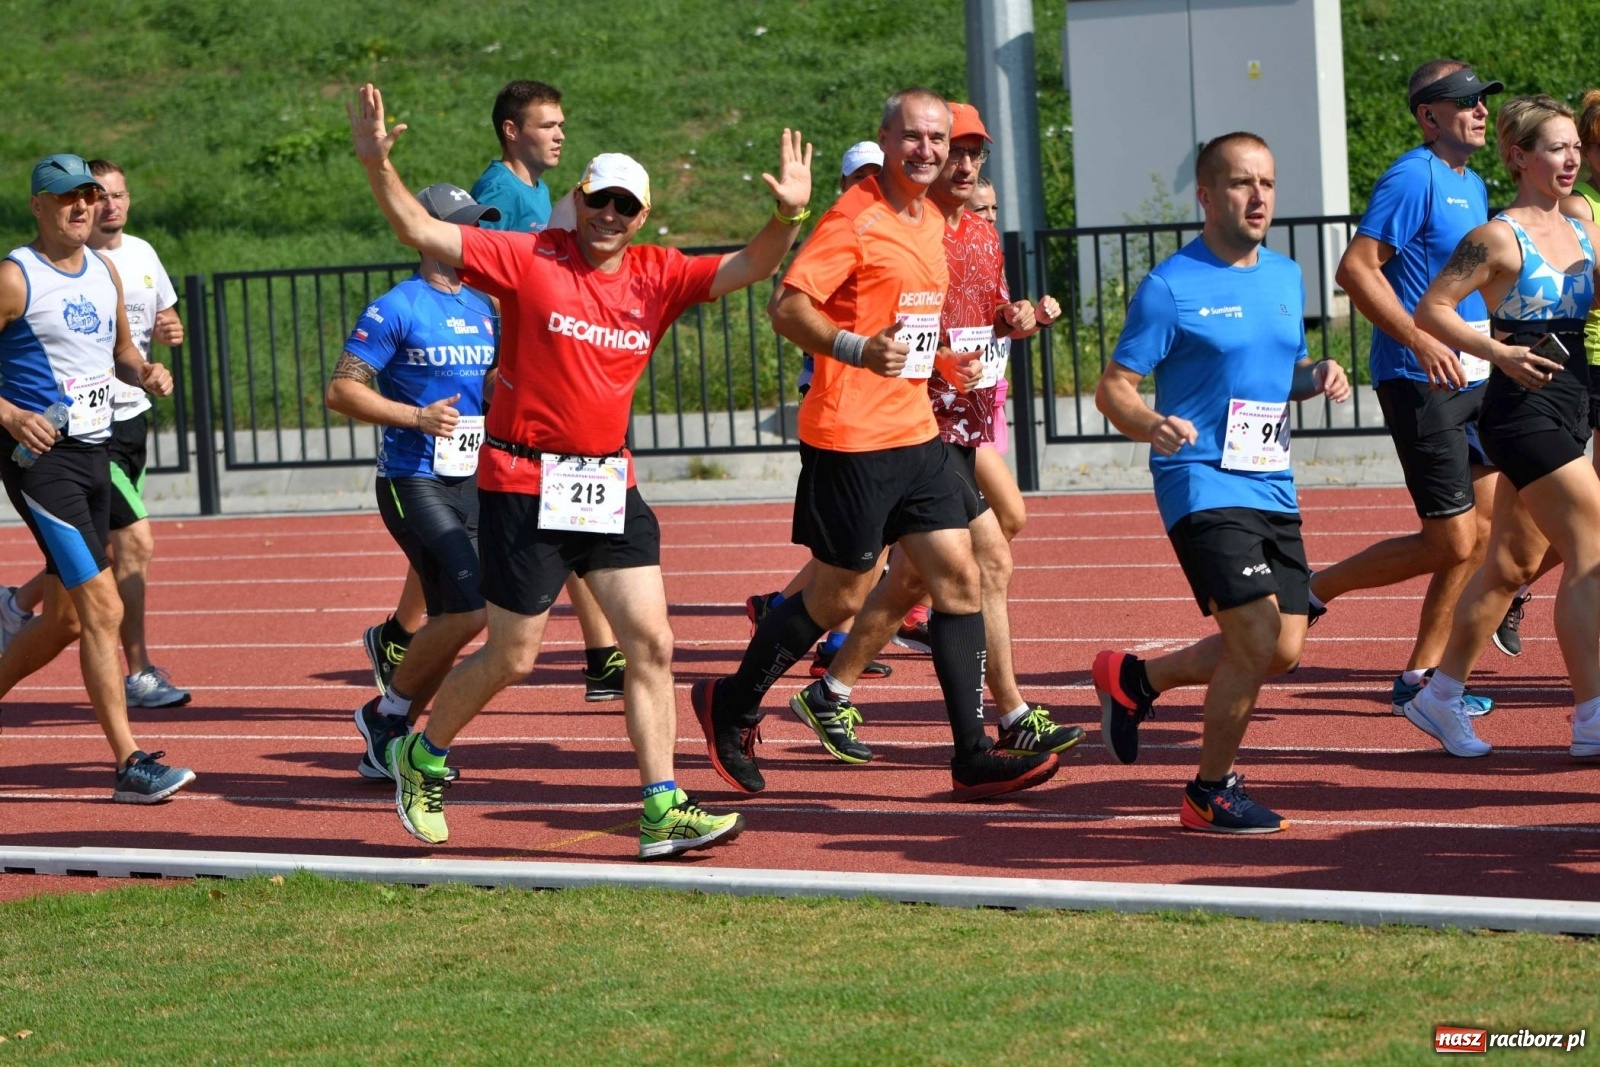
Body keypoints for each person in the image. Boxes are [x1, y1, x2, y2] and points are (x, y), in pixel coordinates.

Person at [348, 83, 810, 858]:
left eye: (626, 207)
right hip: (525, 483)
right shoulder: (531, 258)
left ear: (642, 217)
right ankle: (423, 755)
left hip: (607, 486)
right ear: (579, 198)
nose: (610, 217)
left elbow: (754, 264)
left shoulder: (658, 275)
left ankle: (661, 804)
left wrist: (789, 214)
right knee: (513, 654)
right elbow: (418, 225)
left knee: (652, 644)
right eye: (600, 201)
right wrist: (375, 163)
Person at [693, 88, 1061, 802]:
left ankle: (973, 754)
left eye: (939, 140)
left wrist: (940, 362)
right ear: (886, 141)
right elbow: (786, 306)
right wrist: (858, 349)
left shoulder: (926, 218)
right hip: (852, 436)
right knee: (837, 595)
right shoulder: (855, 217)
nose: (929, 151)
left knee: (960, 577)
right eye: (915, 138)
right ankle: (731, 703)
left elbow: (912, 322)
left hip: (915, 428)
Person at [788, 101, 1082, 763]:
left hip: (967, 421)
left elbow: (991, 316)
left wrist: (1020, 317)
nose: (966, 164)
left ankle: (829, 690)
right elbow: (874, 319)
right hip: (917, 424)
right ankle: (1009, 716)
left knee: (911, 579)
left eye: (974, 153)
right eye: (956, 151)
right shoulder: (908, 229)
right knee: (985, 561)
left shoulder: (978, 234)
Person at [1092, 132, 1351, 834]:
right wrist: (1149, 422)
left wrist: (1317, 374)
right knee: (1257, 634)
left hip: (1269, 480)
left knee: (1282, 649)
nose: (1259, 196)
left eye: (1267, 182)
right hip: (1200, 479)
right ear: (1207, 195)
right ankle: (1211, 791)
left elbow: (1280, 374)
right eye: (1241, 183)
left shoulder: (1286, 276)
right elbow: (1114, 387)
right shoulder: (1170, 286)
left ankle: (1137, 679)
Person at [1311, 60, 1510, 710]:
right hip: (1418, 377)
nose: (1480, 110)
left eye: (1483, 100)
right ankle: (1315, 588)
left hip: (1474, 374)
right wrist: (1421, 339)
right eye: (1465, 101)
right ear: (1429, 116)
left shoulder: (1472, 183)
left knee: (1477, 534)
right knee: (1452, 537)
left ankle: (1421, 674)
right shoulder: (1411, 175)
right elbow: (1356, 269)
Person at [1406, 95, 1600, 759]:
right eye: (1555, 147)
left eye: (1575, 146)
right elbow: (1432, 309)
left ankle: (1439, 693)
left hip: (1572, 401)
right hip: (1520, 410)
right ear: (1519, 157)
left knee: (1511, 565)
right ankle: (1591, 718)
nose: (1570, 158)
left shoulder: (1580, 228)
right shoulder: (1496, 236)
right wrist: (1498, 352)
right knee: (1593, 546)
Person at [0, 153, 192, 801]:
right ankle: (129, 763)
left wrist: (145, 373)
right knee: (103, 607)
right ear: (38, 206)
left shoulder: (104, 271)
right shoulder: (14, 277)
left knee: (63, 621)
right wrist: (11, 414)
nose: (81, 207)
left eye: (87, 195)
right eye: (65, 198)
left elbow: (121, 353)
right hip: (39, 462)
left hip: (95, 453)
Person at [327, 182, 500, 782]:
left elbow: (494, 387)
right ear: (426, 232)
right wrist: (416, 417)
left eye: (478, 226)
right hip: (411, 476)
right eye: (463, 226)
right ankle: (390, 714)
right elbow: (341, 389)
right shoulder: (396, 306)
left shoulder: (485, 307)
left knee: (462, 613)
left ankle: (387, 721)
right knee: (472, 609)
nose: (473, 236)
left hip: (472, 479)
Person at [469, 77, 628, 704]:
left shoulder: (536, 190)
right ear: (513, 131)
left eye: (562, 124)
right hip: (514, 380)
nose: (560, 134)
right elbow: (475, 269)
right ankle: (402, 638)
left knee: (573, 514)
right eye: (547, 125)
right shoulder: (499, 189)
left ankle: (601, 656)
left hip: (553, 374)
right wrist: (494, 357)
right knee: (484, 524)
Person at [744, 139, 894, 682]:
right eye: (861, 176)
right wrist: (847, 344)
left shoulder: (898, 229)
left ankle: (796, 618)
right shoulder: (839, 231)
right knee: (858, 548)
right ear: (844, 183)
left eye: (880, 174)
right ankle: (805, 631)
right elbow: (786, 309)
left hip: (888, 405)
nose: (871, 183)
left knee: (871, 546)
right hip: (838, 402)